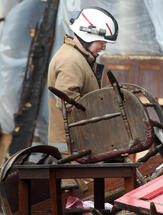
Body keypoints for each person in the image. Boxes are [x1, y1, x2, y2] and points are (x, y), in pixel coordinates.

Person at [47, 7, 118, 150]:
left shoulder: (80, 58)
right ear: (88, 35)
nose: (104, 47)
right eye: (101, 42)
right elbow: (70, 106)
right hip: (72, 148)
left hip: (79, 144)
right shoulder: (70, 60)